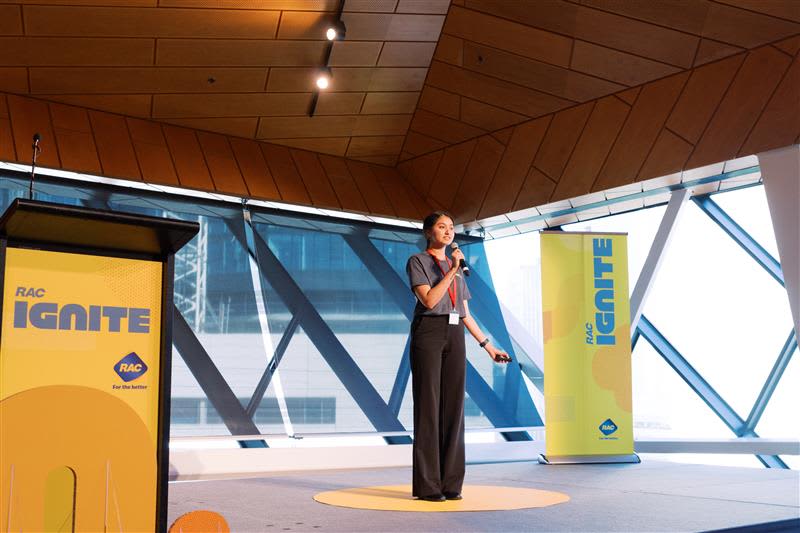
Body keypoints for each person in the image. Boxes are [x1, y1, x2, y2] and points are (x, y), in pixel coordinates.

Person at [405, 211, 511, 502]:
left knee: (454, 408)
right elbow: (428, 299)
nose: (448, 231)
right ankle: (428, 487)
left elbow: (463, 311)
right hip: (429, 331)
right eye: (442, 227)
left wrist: (487, 345)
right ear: (429, 232)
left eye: (451, 227)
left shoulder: (455, 268)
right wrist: (452, 269)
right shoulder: (419, 261)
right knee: (429, 407)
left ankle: (451, 484)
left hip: (454, 334)